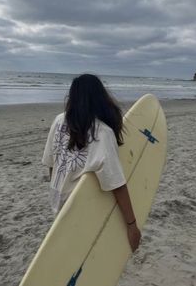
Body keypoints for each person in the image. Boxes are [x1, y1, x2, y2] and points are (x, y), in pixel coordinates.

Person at [42, 73, 141, 252]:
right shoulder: (102, 132)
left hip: (57, 198)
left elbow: (51, 162)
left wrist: (58, 186)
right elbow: (116, 183)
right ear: (100, 98)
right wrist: (132, 225)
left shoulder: (59, 120)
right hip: (82, 205)